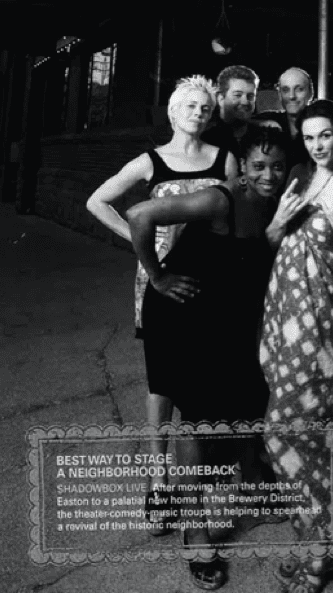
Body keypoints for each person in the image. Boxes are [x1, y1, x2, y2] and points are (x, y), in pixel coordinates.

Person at [125, 126, 290, 591]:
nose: (269, 174)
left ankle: (254, 492)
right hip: (181, 314)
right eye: (258, 165)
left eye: (277, 165)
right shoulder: (220, 199)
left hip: (223, 318)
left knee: (244, 400)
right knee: (197, 417)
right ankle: (195, 530)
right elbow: (140, 214)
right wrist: (156, 276)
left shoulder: (273, 204)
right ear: (241, 165)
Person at [85, 76, 237, 536]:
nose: (198, 112)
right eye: (190, 105)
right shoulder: (151, 161)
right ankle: (158, 483)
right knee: (161, 385)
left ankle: (201, 484)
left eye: (206, 107)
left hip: (209, 281)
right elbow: (98, 201)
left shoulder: (224, 160)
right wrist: (139, 250)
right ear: (173, 112)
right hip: (160, 279)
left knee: (201, 381)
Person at [260, 99, 333, 593]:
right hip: (282, 324)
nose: (316, 145)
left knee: (306, 434)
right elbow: (274, 243)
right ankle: (321, 541)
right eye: (309, 138)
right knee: (296, 436)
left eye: (325, 135)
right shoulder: (300, 179)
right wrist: (275, 226)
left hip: (324, 330)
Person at [255, 66, 313, 167]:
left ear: (311, 93)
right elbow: (239, 122)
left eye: (299, 89)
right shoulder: (270, 118)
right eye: (285, 90)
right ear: (280, 94)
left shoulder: (320, 121)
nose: (292, 96)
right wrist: (262, 123)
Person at [202, 64, 259, 158]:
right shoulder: (205, 139)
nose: (245, 102)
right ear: (220, 99)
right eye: (237, 95)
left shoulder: (262, 136)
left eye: (250, 96)